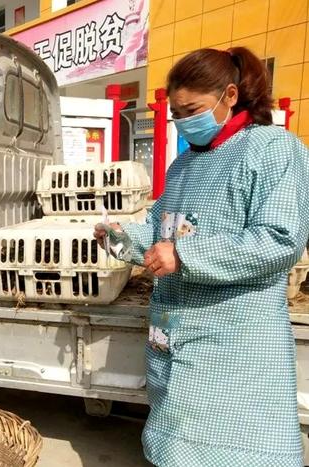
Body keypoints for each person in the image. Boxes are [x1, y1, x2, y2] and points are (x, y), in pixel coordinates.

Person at [95, 47, 309, 466]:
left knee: (238, 447)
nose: (182, 121)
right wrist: (122, 238)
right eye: (176, 113)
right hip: (175, 332)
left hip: (235, 341)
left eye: (191, 110)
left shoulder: (274, 150)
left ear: (230, 95)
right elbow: (162, 230)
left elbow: (281, 238)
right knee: (175, 441)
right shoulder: (184, 164)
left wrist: (185, 255)